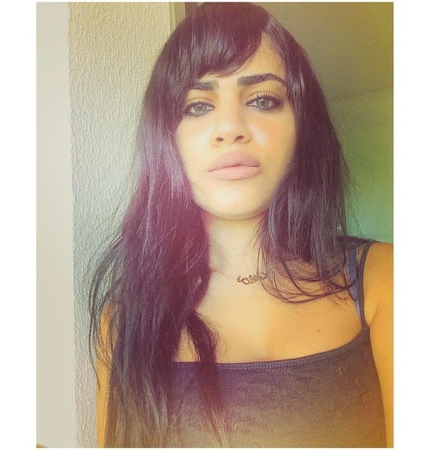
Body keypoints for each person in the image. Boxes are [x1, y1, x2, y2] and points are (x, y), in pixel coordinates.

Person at [89, 2, 393, 447]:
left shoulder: (387, 280)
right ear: (165, 137)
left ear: (301, 127)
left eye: (263, 100)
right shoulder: (124, 322)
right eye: (197, 105)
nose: (230, 127)